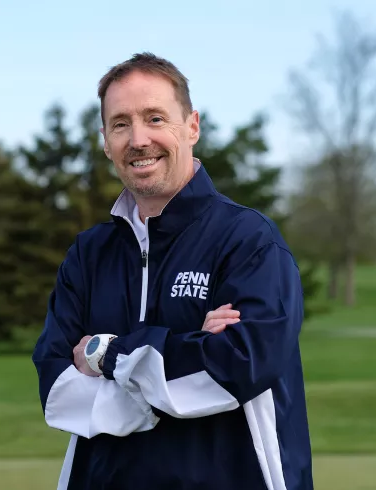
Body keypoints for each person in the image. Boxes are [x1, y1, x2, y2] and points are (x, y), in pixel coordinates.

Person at [31, 52, 313, 490]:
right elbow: (57, 393)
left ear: (192, 127)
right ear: (105, 140)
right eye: (120, 123)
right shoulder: (88, 254)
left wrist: (105, 356)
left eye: (155, 118)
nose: (138, 138)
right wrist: (187, 353)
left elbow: (239, 367)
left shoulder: (249, 241)